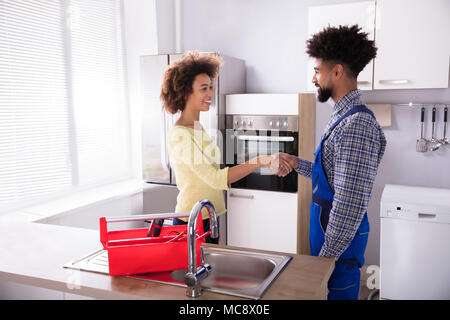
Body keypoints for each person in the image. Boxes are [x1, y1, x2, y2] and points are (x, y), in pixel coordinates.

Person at [280, 25, 387, 300]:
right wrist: (295, 162)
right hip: (328, 235)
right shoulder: (342, 115)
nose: (314, 78)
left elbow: (348, 204)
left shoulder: (356, 124)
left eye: (317, 70)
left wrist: (325, 262)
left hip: (337, 247)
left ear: (337, 72)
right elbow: (328, 174)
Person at [160, 51, 289, 243]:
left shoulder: (198, 127)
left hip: (208, 216)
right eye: (204, 88)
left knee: (208, 270)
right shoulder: (180, 135)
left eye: (211, 87)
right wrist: (261, 160)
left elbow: (213, 172)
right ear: (185, 91)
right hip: (191, 221)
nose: (210, 93)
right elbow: (215, 178)